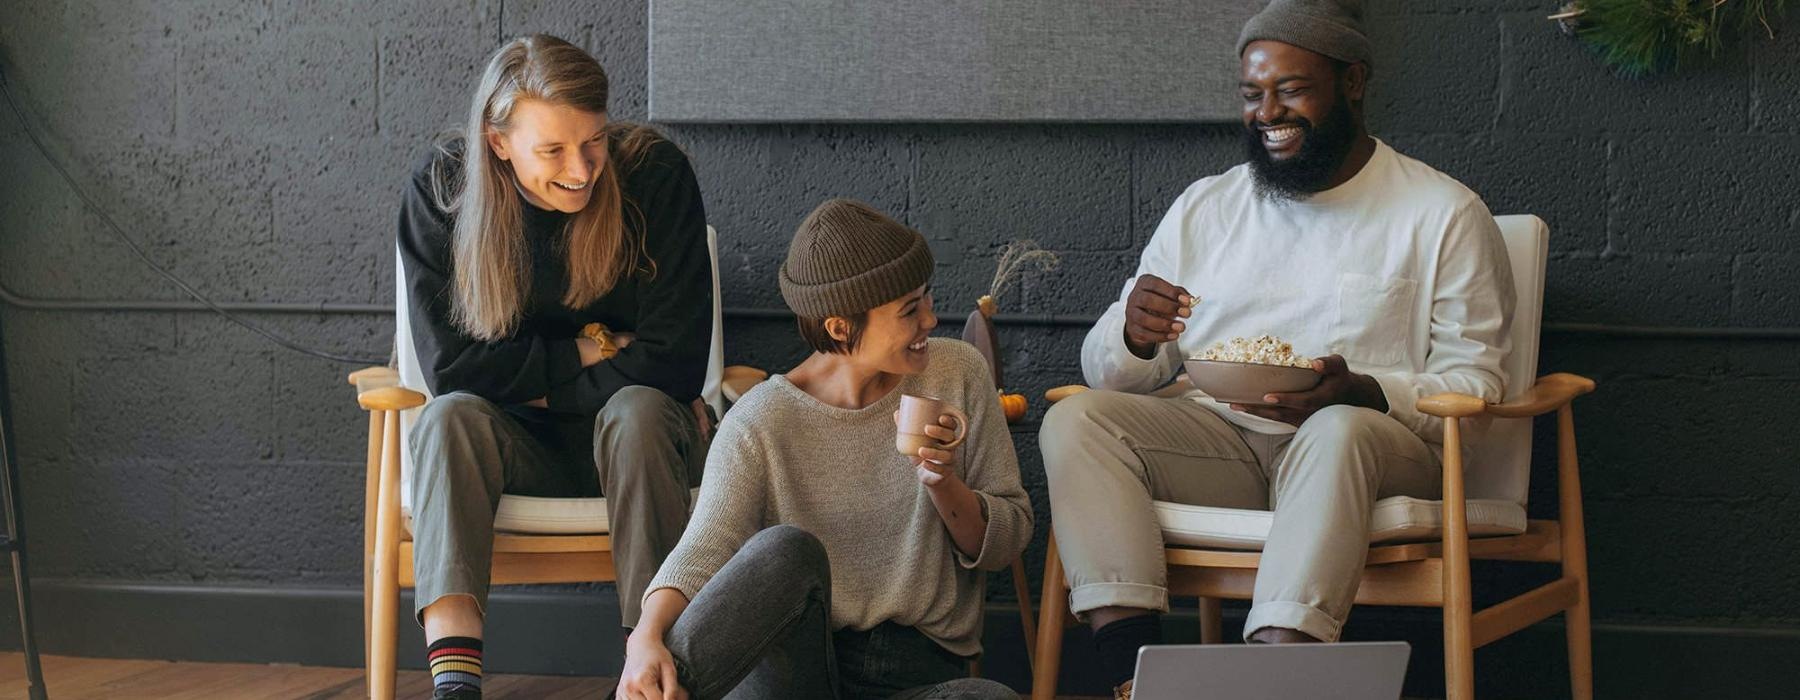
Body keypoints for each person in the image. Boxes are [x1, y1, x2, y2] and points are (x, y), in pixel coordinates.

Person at [1040, 0, 1516, 696]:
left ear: (1352, 82)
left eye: (1291, 90)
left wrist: (1369, 392)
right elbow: (1109, 374)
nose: (1268, 113)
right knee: (1078, 419)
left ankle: (1272, 681)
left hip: (1377, 449)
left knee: (1338, 427)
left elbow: (1478, 381)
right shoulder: (1208, 207)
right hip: (1225, 442)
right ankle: (1129, 683)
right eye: (1252, 94)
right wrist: (1135, 336)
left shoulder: (1441, 213)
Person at [397, 34, 714, 700]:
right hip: (515, 449)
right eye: (553, 150)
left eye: (593, 140)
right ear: (497, 142)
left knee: (639, 411)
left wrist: (529, 385)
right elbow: (451, 369)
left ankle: (644, 671)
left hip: (646, 446)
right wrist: (587, 350)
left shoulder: (654, 175)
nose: (582, 168)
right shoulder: (443, 189)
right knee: (447, 419)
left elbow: (677, 365)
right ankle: (454, 685)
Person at [616, 199, 1033, 700]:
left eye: (926, 298)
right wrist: (644, 638)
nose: (930, 318)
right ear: (839, 327)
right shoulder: (760, 421)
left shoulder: (958, 372)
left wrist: (943, 482)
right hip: (793, 675)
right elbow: (704, 549)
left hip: (915, 675)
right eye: (908, 310)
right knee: (785, 550)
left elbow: (1007, 542)